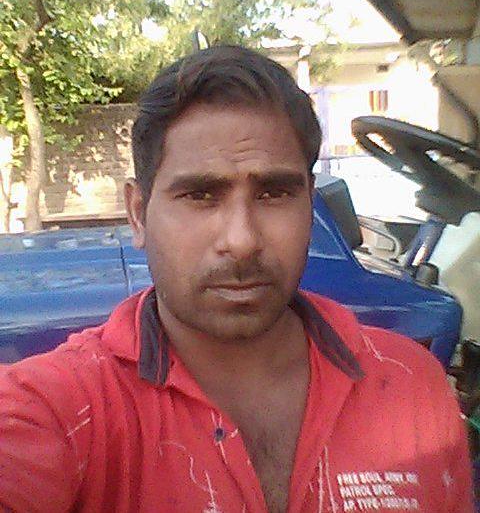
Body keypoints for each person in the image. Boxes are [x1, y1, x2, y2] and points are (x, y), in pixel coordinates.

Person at [0, 45, 473, 512]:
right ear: (138, 214)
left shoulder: (413, 384)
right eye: (200, 195)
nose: (242, 240)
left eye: (274, 193)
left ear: (310, 202)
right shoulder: (56, 408)